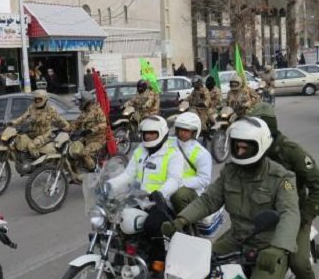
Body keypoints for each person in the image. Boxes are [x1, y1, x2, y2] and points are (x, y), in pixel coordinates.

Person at [162, 117, 300, 279]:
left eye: (246, 147)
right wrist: (181, 220)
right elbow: (209, 200)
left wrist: (278, 247)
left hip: (268, 245)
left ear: (260, 146)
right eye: (237, 147)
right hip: (236, 238)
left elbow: (290, 213)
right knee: (199, 270)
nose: (240, 152)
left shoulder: (282, 178)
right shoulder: (230, 172)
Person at [250, 103, 319, 279]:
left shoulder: (290, 152)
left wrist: (305, 216)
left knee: (299, 262)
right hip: (258, 215)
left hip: (293, 215)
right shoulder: (249, 149)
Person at [107, 116, 183, 261]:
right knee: (117, 221)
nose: (147, 136)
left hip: (162, 202)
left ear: (162, 133)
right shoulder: (140, 151)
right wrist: (109, 185)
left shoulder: (173, 154)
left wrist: (160, 193)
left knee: (152, 225)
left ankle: (159, 260)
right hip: (140, 198)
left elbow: (175, 179)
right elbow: (128, 175)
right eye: (145, 133)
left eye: (152, 133)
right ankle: (124, 255)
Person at [168, 112, 212, 213]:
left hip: (190, 190)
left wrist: (180, 183)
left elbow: (204, 180)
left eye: (186, 130)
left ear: (194, 132)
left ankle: (187, 226)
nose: (182, 133)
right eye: (180, 129)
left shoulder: (202, 153)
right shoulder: (168, 143)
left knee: (178, 196)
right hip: (167, 183)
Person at [10, 89, 70, 157]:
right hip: (33, 133)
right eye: (36, 99)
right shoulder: (32, 108)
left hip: (45, 134)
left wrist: (67, 125)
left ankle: (36, 164)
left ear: (44, 99)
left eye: (39, 99)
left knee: (32, 146)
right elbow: (23, 117)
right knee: (19, 140)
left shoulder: (50, 109)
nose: (37, 101)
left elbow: (59, 119)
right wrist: (15, 122)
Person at [67, 92, 107, 179]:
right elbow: (77, 122)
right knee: (72, 149)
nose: (79, 104)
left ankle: (95, 170)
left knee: (84, 153)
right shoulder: (84, 112)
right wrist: (68, 128)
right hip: (85, 138)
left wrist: (91, 130)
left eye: (81, 101)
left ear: (86, 101)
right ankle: (79, 168)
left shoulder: (97, 110)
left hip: (97, 139)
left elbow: (104, 124)